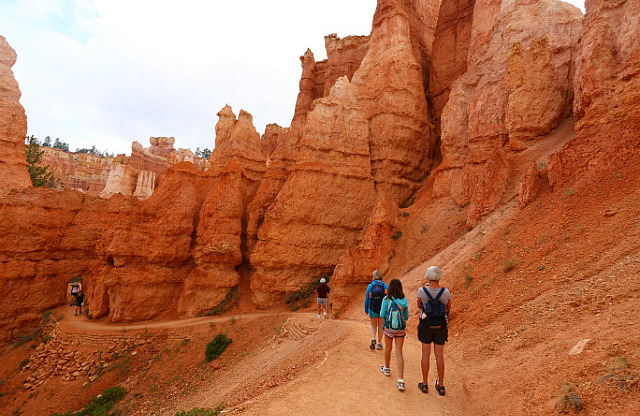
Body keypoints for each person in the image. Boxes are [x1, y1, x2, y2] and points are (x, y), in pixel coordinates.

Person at [417, 266, 451, 396]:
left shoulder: (422, 290)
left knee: (425, 354)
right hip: (440, 326)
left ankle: (425, 384)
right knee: (439, 355)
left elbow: (419, 305)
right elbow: (448, 307)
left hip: (426, 325)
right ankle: (441, 385)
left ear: (428, 276)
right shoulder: (445, 292)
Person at [379, 278, 409, 391]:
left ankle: (386, 368)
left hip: (388, 329)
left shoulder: (386, 299)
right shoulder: (404, 300)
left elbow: (382, 314)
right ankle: (401, 380)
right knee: (399, 353)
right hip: (400, 330)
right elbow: (406, 317)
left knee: (388, 348)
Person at [364, 270, 388, 350]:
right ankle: (379, 343)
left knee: (373, 325)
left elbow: (367, 298)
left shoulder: (370, 286)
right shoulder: (385, 286)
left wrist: (366, 309)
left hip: (372, 308)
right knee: (381, 326)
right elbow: (388, 299)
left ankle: (373, 338)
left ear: (373, 277)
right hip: (382, 310)